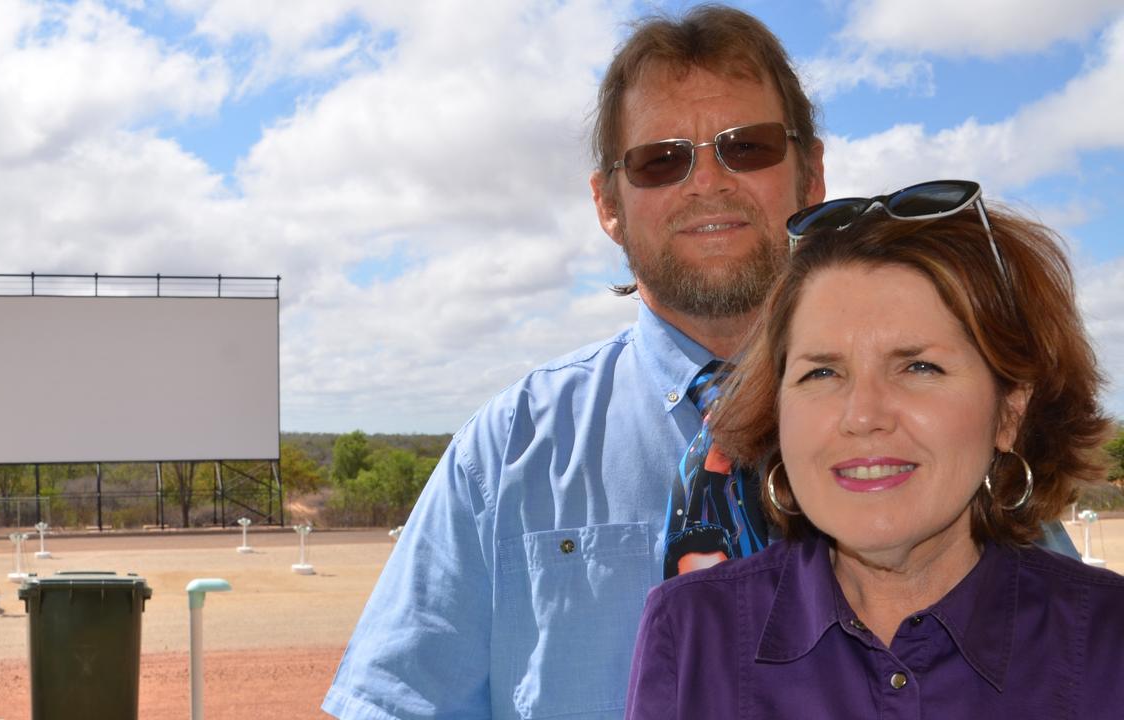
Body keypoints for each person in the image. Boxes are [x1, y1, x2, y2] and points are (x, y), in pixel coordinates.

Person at [323, 6, 1073, 718]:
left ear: (811, 173)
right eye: (660, 160)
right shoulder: (505, 453)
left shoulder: (942, 437)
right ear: (606, 202)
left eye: (746, 146)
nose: (707, 181)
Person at [625, 183, 1123, 718]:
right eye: (822, 371)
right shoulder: (691, 635)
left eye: (918, 367)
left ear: (1009, 413)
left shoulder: (1106, 640)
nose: (862, 416)